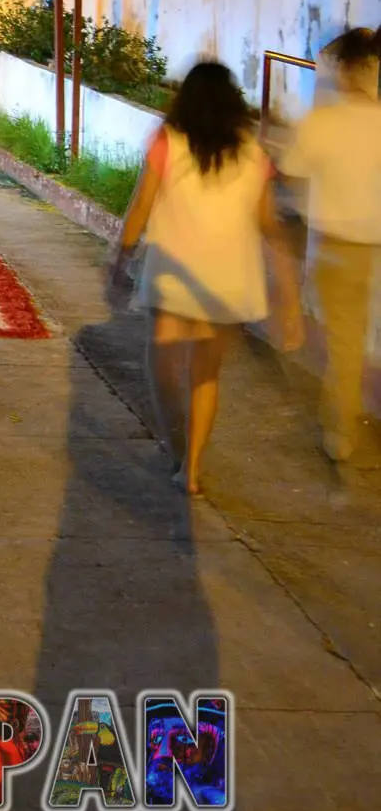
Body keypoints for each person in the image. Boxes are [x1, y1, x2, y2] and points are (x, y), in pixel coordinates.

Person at [111, 61, 303, 495]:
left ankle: (178, 447)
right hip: (227, 282)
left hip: (173, 277)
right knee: (206, 376)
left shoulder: (168, 141)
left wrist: (119, 259)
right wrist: (288, 295)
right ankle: (192, 469)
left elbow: (141, 207)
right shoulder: (252, 151)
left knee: (163, 371)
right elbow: (270, 225)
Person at [280, 27, 381, 466]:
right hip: (371, 244)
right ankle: (343, 414)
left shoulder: (323, 121)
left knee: (339, 336)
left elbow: (291, 170)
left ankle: (340, 426)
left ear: (344, 68)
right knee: (350, 334)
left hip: (333, 243)